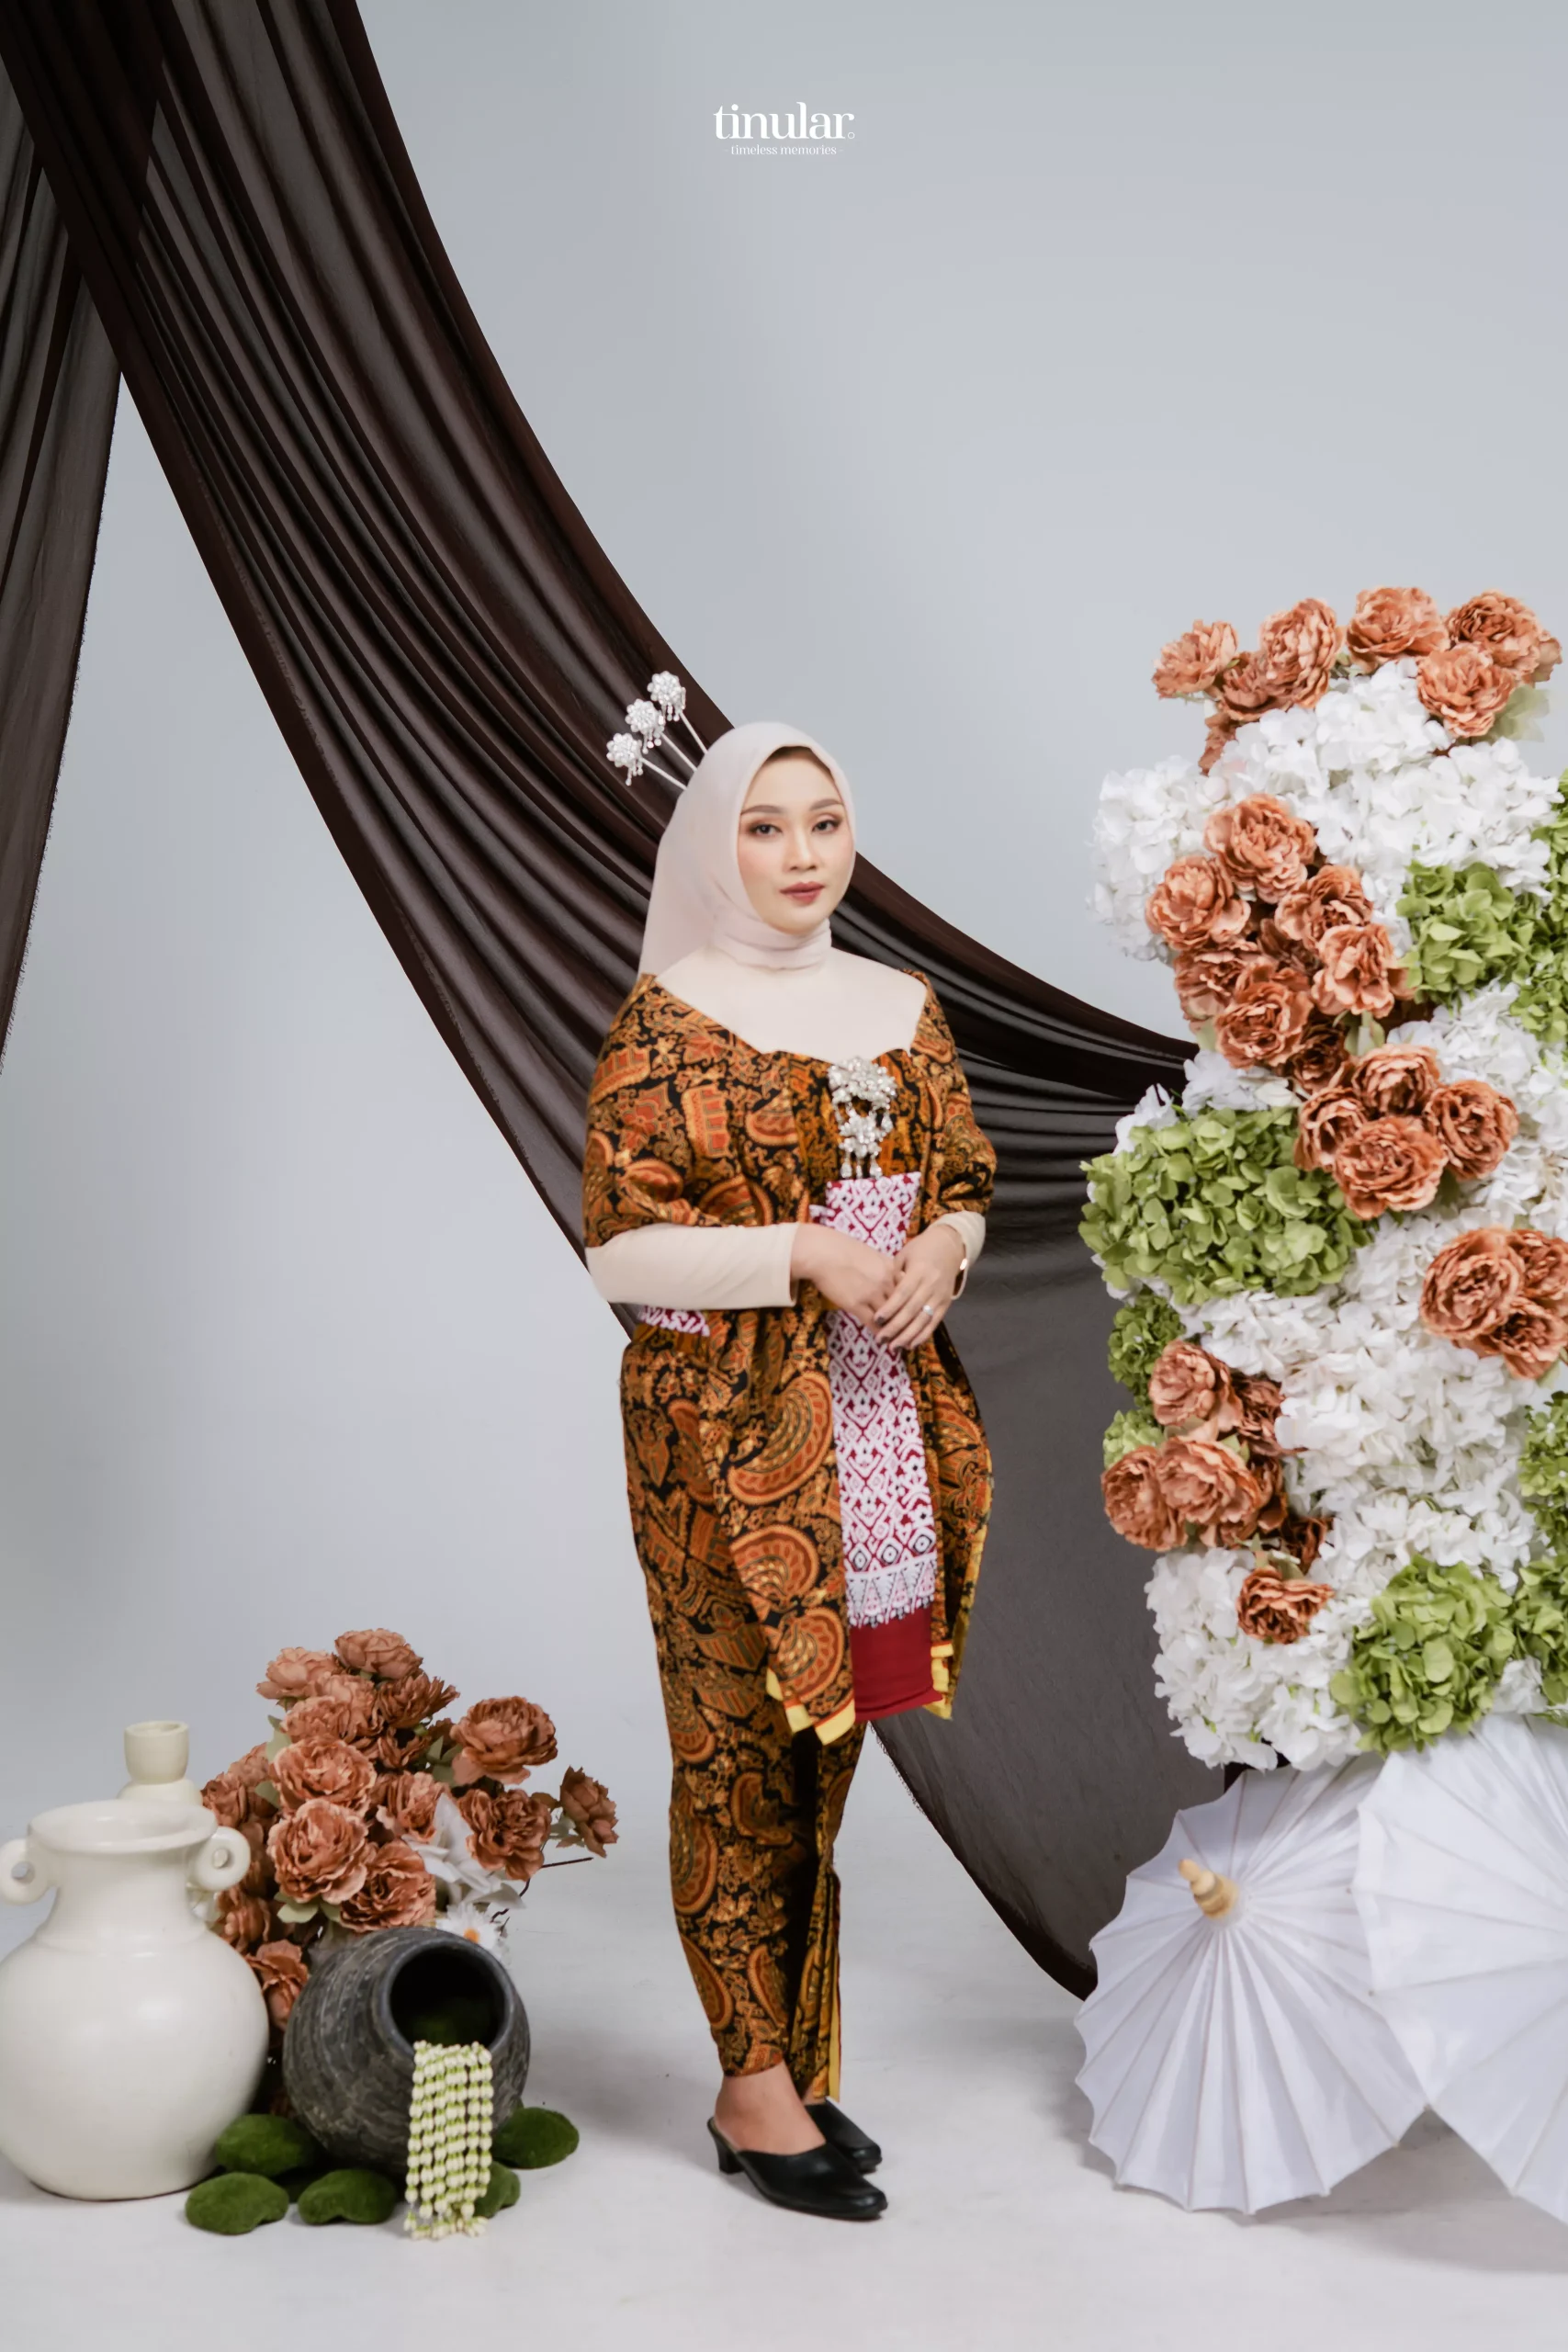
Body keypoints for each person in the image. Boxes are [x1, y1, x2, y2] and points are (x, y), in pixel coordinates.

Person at [581, 718, 996, 2220]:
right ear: (715, 847)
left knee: (824, 1739)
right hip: (720, 1425)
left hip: (875, 1420)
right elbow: (617, 1246)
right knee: (731, 1743)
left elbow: (963, 1181)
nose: (802, 854)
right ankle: (752, 2081)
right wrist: (804, 1253)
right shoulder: (669, 1020)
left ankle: (786, 2064)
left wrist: (942, 1250)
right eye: (764, 827)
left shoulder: (899, 1005)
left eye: (823, 821)